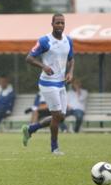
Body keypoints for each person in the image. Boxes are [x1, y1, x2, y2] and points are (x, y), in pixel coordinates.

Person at [22, 13, 74, 155]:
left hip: (60, 84)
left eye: (62, 23)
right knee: (56, 116)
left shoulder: (68, 40)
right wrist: (43, 66)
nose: (60, 25)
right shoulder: (45, 41)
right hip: (47, 83)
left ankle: (31, 129)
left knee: (61, 117)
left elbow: (71, 59)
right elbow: (29, 58)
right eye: (57, 23)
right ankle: (54, 148)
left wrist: (70, 73)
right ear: (52, 24)